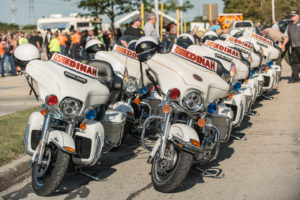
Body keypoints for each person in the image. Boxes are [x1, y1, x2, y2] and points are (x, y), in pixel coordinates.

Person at [282, 10, 300, 83]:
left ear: (298, 16)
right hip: (294, 47)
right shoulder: (289, 25)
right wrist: (283, 45)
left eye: (294, 15)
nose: (292, 17)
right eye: (291, 15)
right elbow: (286, 37)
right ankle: (295, 78)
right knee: (294, 63)